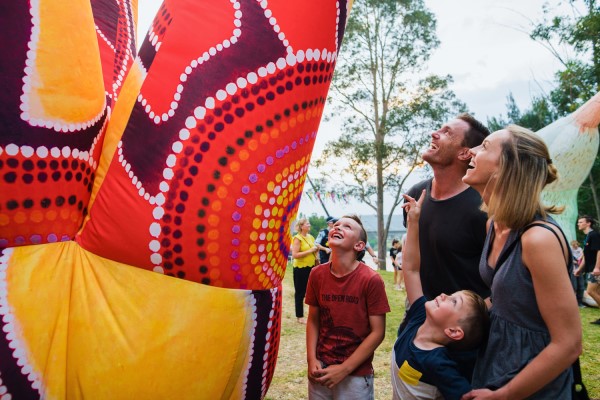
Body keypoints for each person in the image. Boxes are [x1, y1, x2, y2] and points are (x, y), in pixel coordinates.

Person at [462, 125, 582, 399]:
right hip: (496, 364)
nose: (472, 150)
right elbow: (511, 298)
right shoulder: (493, 224)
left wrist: (506, 394)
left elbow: (569, 343)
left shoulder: (538, 240)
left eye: (485, 146)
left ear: (507, 168)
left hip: (533, 383)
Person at [392, 192, 489, 400]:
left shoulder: (438, 363)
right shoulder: (419, 316)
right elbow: (410, 269)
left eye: (454, 301)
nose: (444, 294)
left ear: (454, 331)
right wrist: (414, 222)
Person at [403, 113, 491, 301]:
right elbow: (411, 263)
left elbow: (499, 280)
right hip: (421, 313)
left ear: (465, 153)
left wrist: (471, 317)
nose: (434, 133)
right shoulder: (415, 196)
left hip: (466, 323)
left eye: (447, 133)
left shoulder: (485, 206)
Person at [305, 215, 390, 399]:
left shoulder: (371, 280)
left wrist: (344, 369)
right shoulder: (316, 274)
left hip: (356, 376)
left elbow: (378, 332)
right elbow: (313, 320)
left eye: (347, 227)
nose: (338, 227)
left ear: (359, 246)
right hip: (320, 371)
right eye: (336, 225)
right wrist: (311, 359)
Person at [291, 218, 329, 324]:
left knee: (313, 292)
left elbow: (314, 250)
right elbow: (295, 255)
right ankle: (299, 316)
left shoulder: (311, 237)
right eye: (307, 224)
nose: (309, 225)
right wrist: (310, 251)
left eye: (309, 223)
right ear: (301, 226)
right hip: (300, 269)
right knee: (300, 292)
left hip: (311, 268)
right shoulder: (297, 238)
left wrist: (316, 255)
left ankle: (315, 315)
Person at [574, 215, 600, 323]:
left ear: (588, 223)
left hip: (595, 269)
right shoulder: (588, 236)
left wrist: (597, 267)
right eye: (578, 222)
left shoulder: (594, 235)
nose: (578, 224)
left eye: (581, 222)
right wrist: (579, 269)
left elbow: (599, 251)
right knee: (597, 292)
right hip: (590, 268)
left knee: (590, 291)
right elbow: (586, 256)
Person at [569, 239, 586, 307]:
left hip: (580, 270)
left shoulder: (580, 249)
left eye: (576, 245)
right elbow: (567, 259)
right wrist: (574, 262)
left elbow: (583, 257)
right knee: (574, 287)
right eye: (574, 245)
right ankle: (573, 303)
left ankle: (580, 303)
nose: (575, 246)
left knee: (581, 286)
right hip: (573, 271)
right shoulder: (570, 250)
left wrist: (580, 260)